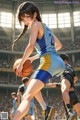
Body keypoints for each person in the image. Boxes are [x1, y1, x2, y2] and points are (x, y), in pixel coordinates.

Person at [12, 1, 65, 120]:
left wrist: (21, 63)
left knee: (26, 96)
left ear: (35, 14)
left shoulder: (35, 24)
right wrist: (33, 58)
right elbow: (58, 46)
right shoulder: (45, 26)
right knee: (31, 84)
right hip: (57, 62)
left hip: (49, 62)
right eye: (22, 18)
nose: (24, 20)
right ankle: (45, 108)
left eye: (26, 16)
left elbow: (31, 46)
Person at [46, 53, 80, 120]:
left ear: (63, 60)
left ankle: (69, 111)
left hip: (67, 89)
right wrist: (66, 84)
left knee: (64, 92)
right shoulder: (71, 67)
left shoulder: (61, 65)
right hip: (73, 93)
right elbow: (75, 78)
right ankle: (69, 112)